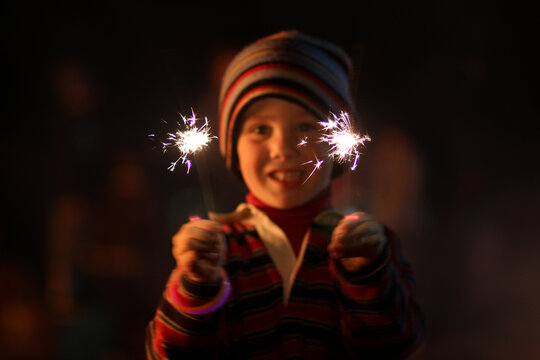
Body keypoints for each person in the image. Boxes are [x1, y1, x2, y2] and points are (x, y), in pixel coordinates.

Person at [146, 30, 425, 359]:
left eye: (306, 127)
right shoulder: (215, 253)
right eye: (261, 129)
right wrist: (196, 288)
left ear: (337, 142)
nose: (282, 149)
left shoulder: (373, 248)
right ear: (231, 146)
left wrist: (367, 276)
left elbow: (400, 347)